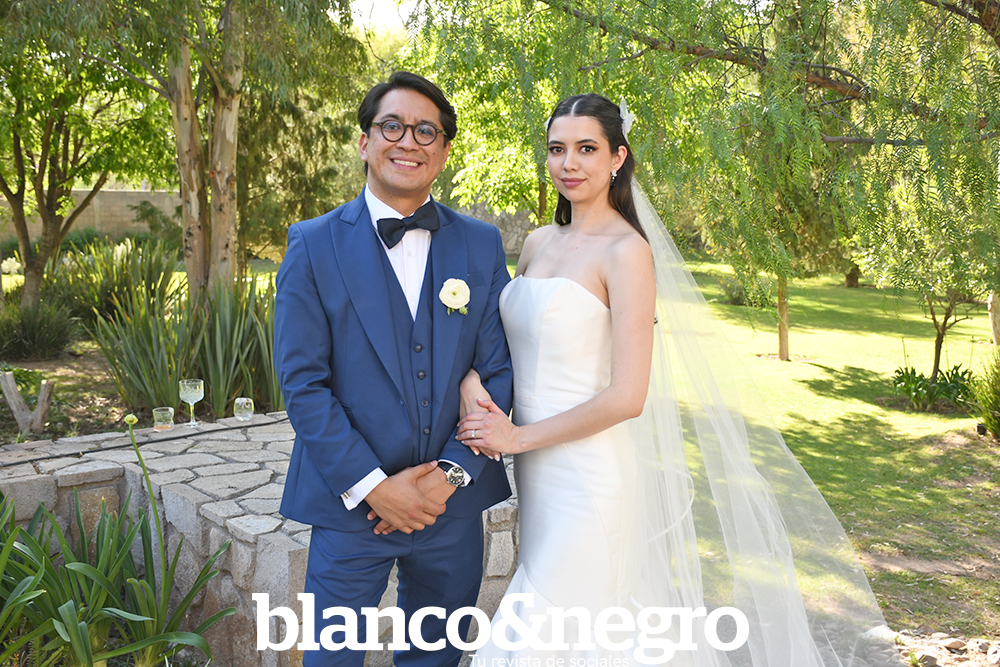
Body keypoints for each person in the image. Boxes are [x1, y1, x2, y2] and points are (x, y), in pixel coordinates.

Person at [456, 93, 899, 667]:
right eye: (557, 149)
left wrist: (517, 437)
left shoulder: (627, 252)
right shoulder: (539, 243)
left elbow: (627, 396)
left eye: (586, 149)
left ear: (617, 157)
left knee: (568, 619)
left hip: (591, 474)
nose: (569, 163)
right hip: (539, 473)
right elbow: (517, 345)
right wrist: (472, 378)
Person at [274, 71, 513, 667]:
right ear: (364, 142)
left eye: (426, 131)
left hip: (450, 509)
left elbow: (498, 370)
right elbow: (304, 384)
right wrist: (376, 489)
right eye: (392, 126)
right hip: (350, 507)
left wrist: (448, 477)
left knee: (437, 658)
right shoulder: (312, 244)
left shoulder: (481, 244)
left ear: (444, 151)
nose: (409, 141)